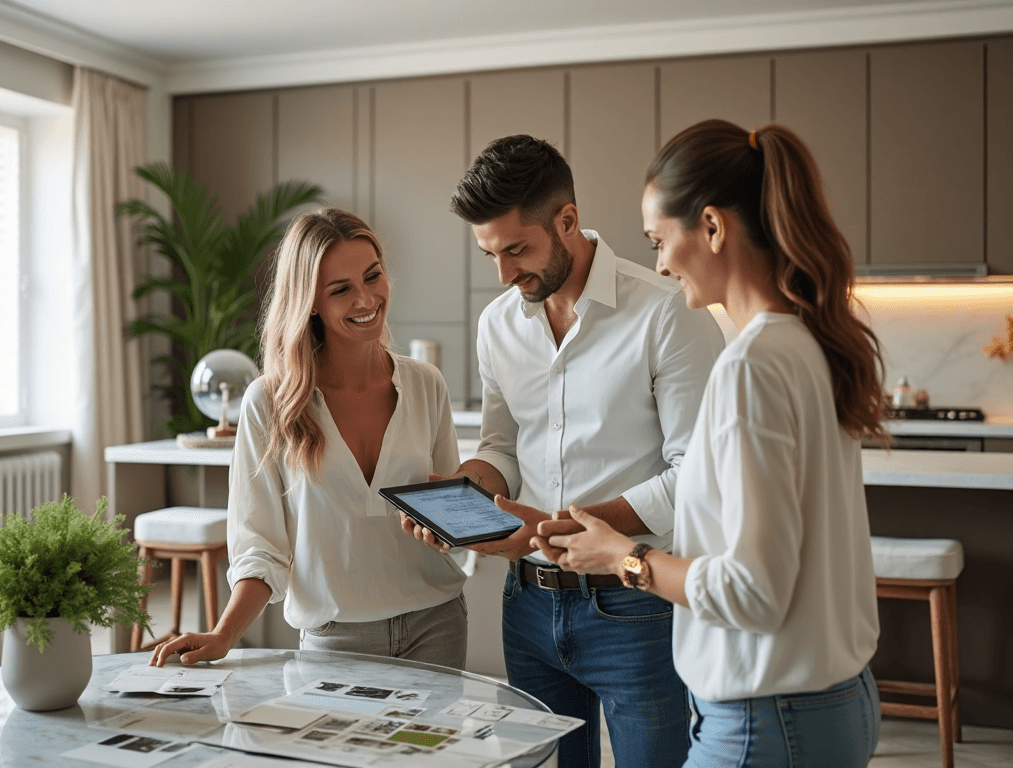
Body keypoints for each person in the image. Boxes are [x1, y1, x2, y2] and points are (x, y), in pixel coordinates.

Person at [536, 119, 886, 766]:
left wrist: (623, 559)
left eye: (659, 240)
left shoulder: (750, 366)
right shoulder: (808, 344)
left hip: (767, 719)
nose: (660, 263)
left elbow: (752, 591)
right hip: (834, 703)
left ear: (714, 227)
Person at [404, 134, 725, 768]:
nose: (503, 273)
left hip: (636, 605)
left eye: (517, 249)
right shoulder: (497, 324)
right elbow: (501, 445)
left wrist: (569, 527)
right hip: (527, 603)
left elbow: (698, 477)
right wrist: (465, 494)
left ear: (568, 221)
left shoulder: (666, 312)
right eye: (489, 254)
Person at [150, 208, 467, 668]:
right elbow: (260, 547)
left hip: (437, 625)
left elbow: (451, 516)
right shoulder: (270, 402)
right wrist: (223, 636)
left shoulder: (426, 385)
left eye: (372, 277)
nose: (366, 299)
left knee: (433, 744)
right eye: (341, 290)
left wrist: (463, 523)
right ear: (310, 302)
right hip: (335, 639)